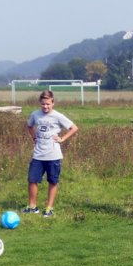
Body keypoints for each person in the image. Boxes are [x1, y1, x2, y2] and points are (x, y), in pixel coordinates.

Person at [24, 90, 78, 218]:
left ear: (53, 103)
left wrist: (62, 139)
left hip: (53, 155)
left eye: (48, 104)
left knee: (52, 181)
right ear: (40, 103)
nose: (45, 107)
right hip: (38, 154)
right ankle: (32, 207)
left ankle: (49, 208)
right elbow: (29, 126)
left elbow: (74, 128)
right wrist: (34, 138)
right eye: (43, 104)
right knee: (32, 180)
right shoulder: (35, 114)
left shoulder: (58, 116)